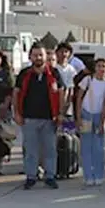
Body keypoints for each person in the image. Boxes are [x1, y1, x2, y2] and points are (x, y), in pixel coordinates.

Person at [13, 44, 63, 190]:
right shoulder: (24, 74)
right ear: (30, 57)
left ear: (45, 56)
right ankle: (31, 176)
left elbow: (61, 93)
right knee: (31, 150)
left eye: (41, 55)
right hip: (29, 118)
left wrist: (60, 113)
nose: (38, 58)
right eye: (35, 55)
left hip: (49, 118)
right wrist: (16, 112)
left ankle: (50, 176)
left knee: (50, 149)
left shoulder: (54, 73)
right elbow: (16, 93)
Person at [75, 58, 105, 186]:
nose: (101, 69)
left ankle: (98, 174)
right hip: (86, 114)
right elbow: (79, 98)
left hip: (98, 116)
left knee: (98, 148)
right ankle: (88, 176)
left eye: (104, 66)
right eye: (99, 66)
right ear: (95, 68)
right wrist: (78, 116)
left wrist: (102, 121)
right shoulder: (88, 80)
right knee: (86, 147)